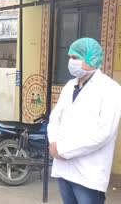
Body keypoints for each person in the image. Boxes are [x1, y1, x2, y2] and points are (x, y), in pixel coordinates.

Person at [48, 38, 121, 204]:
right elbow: (54, 119)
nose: (70, 62)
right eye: (70, 57)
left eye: (75, 58)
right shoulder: (69, 86)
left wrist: (63, 149)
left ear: (92, 59)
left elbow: (104, 133)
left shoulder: (111, 89)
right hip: (64, 169)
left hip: (88, 173)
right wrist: (54, 144)